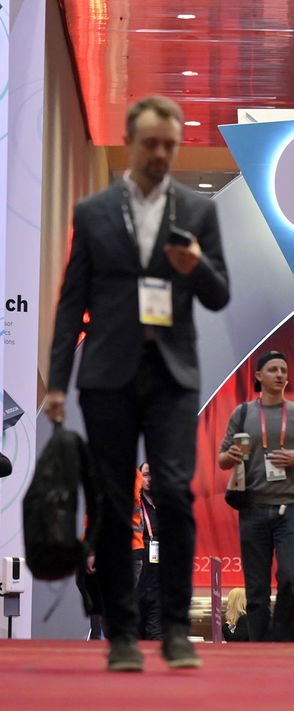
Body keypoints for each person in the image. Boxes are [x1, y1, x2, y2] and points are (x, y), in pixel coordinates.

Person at [46, 95, 229, 672]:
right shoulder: (94, 211)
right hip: (106, 373)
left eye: (170, 146)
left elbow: (219, 294)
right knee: (111, 501)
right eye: (150, 143)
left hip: (172, 374)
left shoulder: (197, 212)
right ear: (130, 142)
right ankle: (121, 635)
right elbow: (71, 300)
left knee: (173, 493)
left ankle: (176, 630)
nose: (160, 154)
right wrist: (57, 381)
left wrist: (194, 266)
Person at [217, 351, 294, 642]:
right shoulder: (242, 413)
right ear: (258, 376)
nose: (280, 374)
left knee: (291, 579)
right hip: (252, 507)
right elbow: (222, 459)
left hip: (290, 507)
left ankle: (284, 643)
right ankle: (260, 647)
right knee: (255, 589)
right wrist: (229, 456)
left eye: (283, 369)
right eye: (273, 369)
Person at [135, 462, 162, 640]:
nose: (149, 479)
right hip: (138, 578)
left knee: (156, 635)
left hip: (159, 580)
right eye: (145, 475)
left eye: (153, 475)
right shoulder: (135, 503)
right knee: (136, 632)